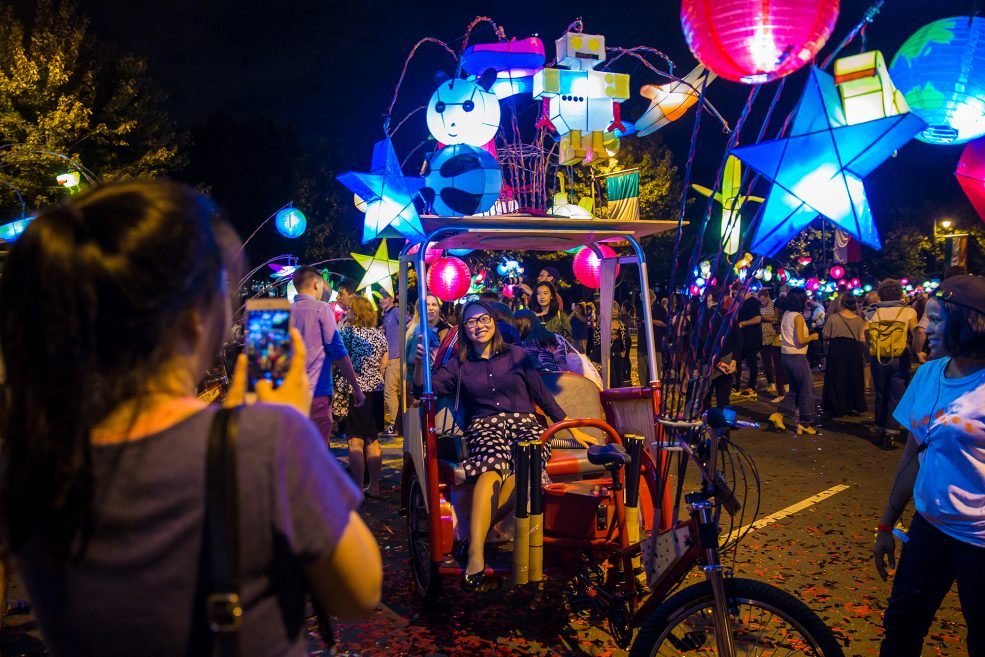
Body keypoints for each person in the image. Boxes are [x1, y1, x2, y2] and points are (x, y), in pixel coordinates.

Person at [0, 181, 382, 655]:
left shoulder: (28, 455)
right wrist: (287, 426)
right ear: (195, 318)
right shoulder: (264, 440)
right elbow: (359, 592)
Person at [413, 300, 596, 591]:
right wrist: (420, 363)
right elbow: (425, 390)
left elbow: (542, 396)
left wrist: (570, 426)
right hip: (485, 426)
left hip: (525, 425)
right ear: (464, 329)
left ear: (493, 322)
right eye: (471, 322)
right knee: (492, 466)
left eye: (484, 319)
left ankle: (474, 538)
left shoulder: (518, 355)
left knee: (527, 469)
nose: (479, 325)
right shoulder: (459, 364)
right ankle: (475, 553)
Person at [872, 275, 985, 657]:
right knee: (901, 629)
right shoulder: (926, 375)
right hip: (929, 528)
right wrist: (887, 523)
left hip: (979, 541)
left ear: (968, 322)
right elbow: (910, 457)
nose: (924, 328)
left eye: (935, 320)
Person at [293, 266, 365, 446]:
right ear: (316, 284)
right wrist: (356, 388)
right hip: (316, 394)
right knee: (318, 456)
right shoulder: (321, 309)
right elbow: (338, 352)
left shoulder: (284, 312)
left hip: (291, 396)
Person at [339, 296, 389, 498]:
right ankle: (375, 487)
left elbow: (340, 359)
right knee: (373, 440)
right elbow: (384, 363)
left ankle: (358, 488)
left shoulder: (348, 333)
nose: (347, 311)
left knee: (355, 442)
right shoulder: (379, 335)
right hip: (376, 389)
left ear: (356, 311)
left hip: (355, 390)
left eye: (350, 308)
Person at [869, 279, 919, 449]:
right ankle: (891, 432)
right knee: (896, 395)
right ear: (899, 293)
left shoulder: (872, 312)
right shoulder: (909, 312)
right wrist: (916, 350)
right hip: (899, 357)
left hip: (877, 357)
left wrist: (870, 351)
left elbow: (863, 336)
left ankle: (879, 428)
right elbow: (916, 333)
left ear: (881, 295)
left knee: (880, 393)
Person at [769, 288, 819, 434]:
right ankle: (805, 421)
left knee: (795, 389)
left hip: (786, 356)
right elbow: (801, 339)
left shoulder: (786, 314)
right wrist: (813, 337)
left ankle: (778, 415)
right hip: (797, 357)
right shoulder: (797, 317)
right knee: (807, 389)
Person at [690, 285, 740, 412]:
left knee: (705, 399)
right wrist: (734, 360)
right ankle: (724, 429)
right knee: (724, 400)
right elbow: (739, 338)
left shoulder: (705, 317)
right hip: (727, 360)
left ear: (710, 297)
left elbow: (705, 341)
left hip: (710, 362)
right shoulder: (728, 315)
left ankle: (707, 428)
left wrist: (716, 362)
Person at [821, 293, 868, 418]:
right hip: (853, 350)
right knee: (853, 377)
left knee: (836, 377)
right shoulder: (859, 319)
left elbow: (826, 335)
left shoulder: (833, 318)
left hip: (836, 349)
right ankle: (852, 405)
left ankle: (836, 406)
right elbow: (861, 338)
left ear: (841, 303)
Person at [734, 286, 763, 398]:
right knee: (737, 360)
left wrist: (743, 323)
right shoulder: (740, 303)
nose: (735, 295)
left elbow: (757, 318)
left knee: (751, 363)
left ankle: (751, 387)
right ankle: (736, 385)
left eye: (736, 292)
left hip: (752, 337)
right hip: (742, 337)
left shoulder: (753, 302)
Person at [380, 290, 402, 437]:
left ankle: (394, 425)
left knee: (389, 392)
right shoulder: (387, 315)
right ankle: (396, 424)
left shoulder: (396, 312)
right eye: (380, 297)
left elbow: (409, 324)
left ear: (392, 298)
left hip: (395, 357)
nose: (382, 299)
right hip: (391, 357)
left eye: (385, 296)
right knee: (392, 392)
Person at [758, 288, 786, 403]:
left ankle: (783, 386)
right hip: (763, 337)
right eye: (761, 301)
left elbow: (775, 319)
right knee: (766, 362)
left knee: (777, 364)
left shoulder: (774, 307)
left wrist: (763, 317)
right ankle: (771, 383)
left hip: (773, 337)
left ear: (768, 297)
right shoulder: (761, 307)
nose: (762, 302)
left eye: (764, 300)